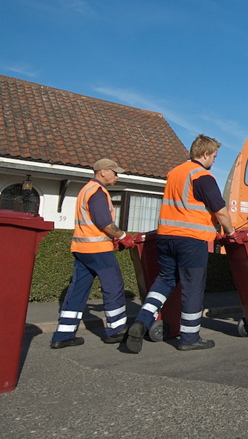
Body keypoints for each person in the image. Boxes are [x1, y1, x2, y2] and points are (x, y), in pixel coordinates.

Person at [126, 134, 235, 353]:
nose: (214, 161)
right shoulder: (202, 176)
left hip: (165, 238)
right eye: (214, 156)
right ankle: (189, 337)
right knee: (193, 287)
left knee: (165, 280)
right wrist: (231, 232)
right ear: (204, 154)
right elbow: (221, 211)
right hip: (190, 240)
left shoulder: (174, 173)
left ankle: (142, 321)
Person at [51, 159, 136, 349]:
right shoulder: (97, 192)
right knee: (113, 286)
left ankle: (63, 335)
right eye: (114, 172)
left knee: (78, 290)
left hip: (82, 250)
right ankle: (115, 330)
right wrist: (123, 236)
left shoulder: (85, 190)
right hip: (98, 251)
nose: (116, 175)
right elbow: (104, 224)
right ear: (103, 172)